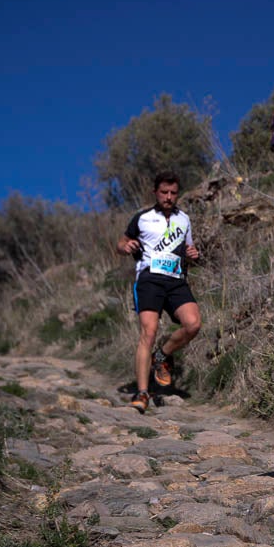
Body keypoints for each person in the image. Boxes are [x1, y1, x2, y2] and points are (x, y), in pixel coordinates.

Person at [116, 171, 202, 414]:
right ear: (155, 192)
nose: (169, 197)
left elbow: (189, 249)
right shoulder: (142, 218)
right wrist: (125, 246)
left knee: (193, 324)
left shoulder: (184, 219)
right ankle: (142, 392)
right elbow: (121, 243)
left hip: (176, 279)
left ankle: (162, 355)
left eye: (173, 193)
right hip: (149, 279)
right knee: (149, 331)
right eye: (164, 192)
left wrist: (193, 254)